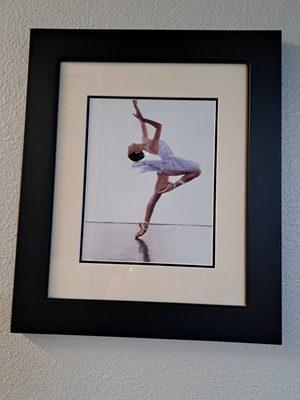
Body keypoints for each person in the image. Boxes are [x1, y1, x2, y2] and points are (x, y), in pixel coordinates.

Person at [128, 100, 201, 238]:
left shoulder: (145, 141)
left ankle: (145, 224)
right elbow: (159, 126)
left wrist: (137, 108)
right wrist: (144, 118)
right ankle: (173, 185)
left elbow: (142, 123)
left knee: (155, 196)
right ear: (136, 152)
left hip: (163, 167)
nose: (128, 147)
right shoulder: (152, 145)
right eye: (129, 150)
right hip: (169, 163)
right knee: (196, 171)